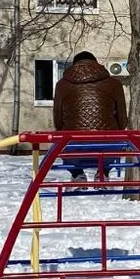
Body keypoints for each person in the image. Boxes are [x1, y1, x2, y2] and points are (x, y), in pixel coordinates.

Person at [53, 51, 129, 182]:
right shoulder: (114, 84)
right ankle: (103, 172)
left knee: (59, 142)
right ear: (96, 64)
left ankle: (77, 174)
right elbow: (122, 121)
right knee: (117, 138)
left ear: (74, 65)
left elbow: (58, 121)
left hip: (73, 147)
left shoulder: (62, 85)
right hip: (108, 148)